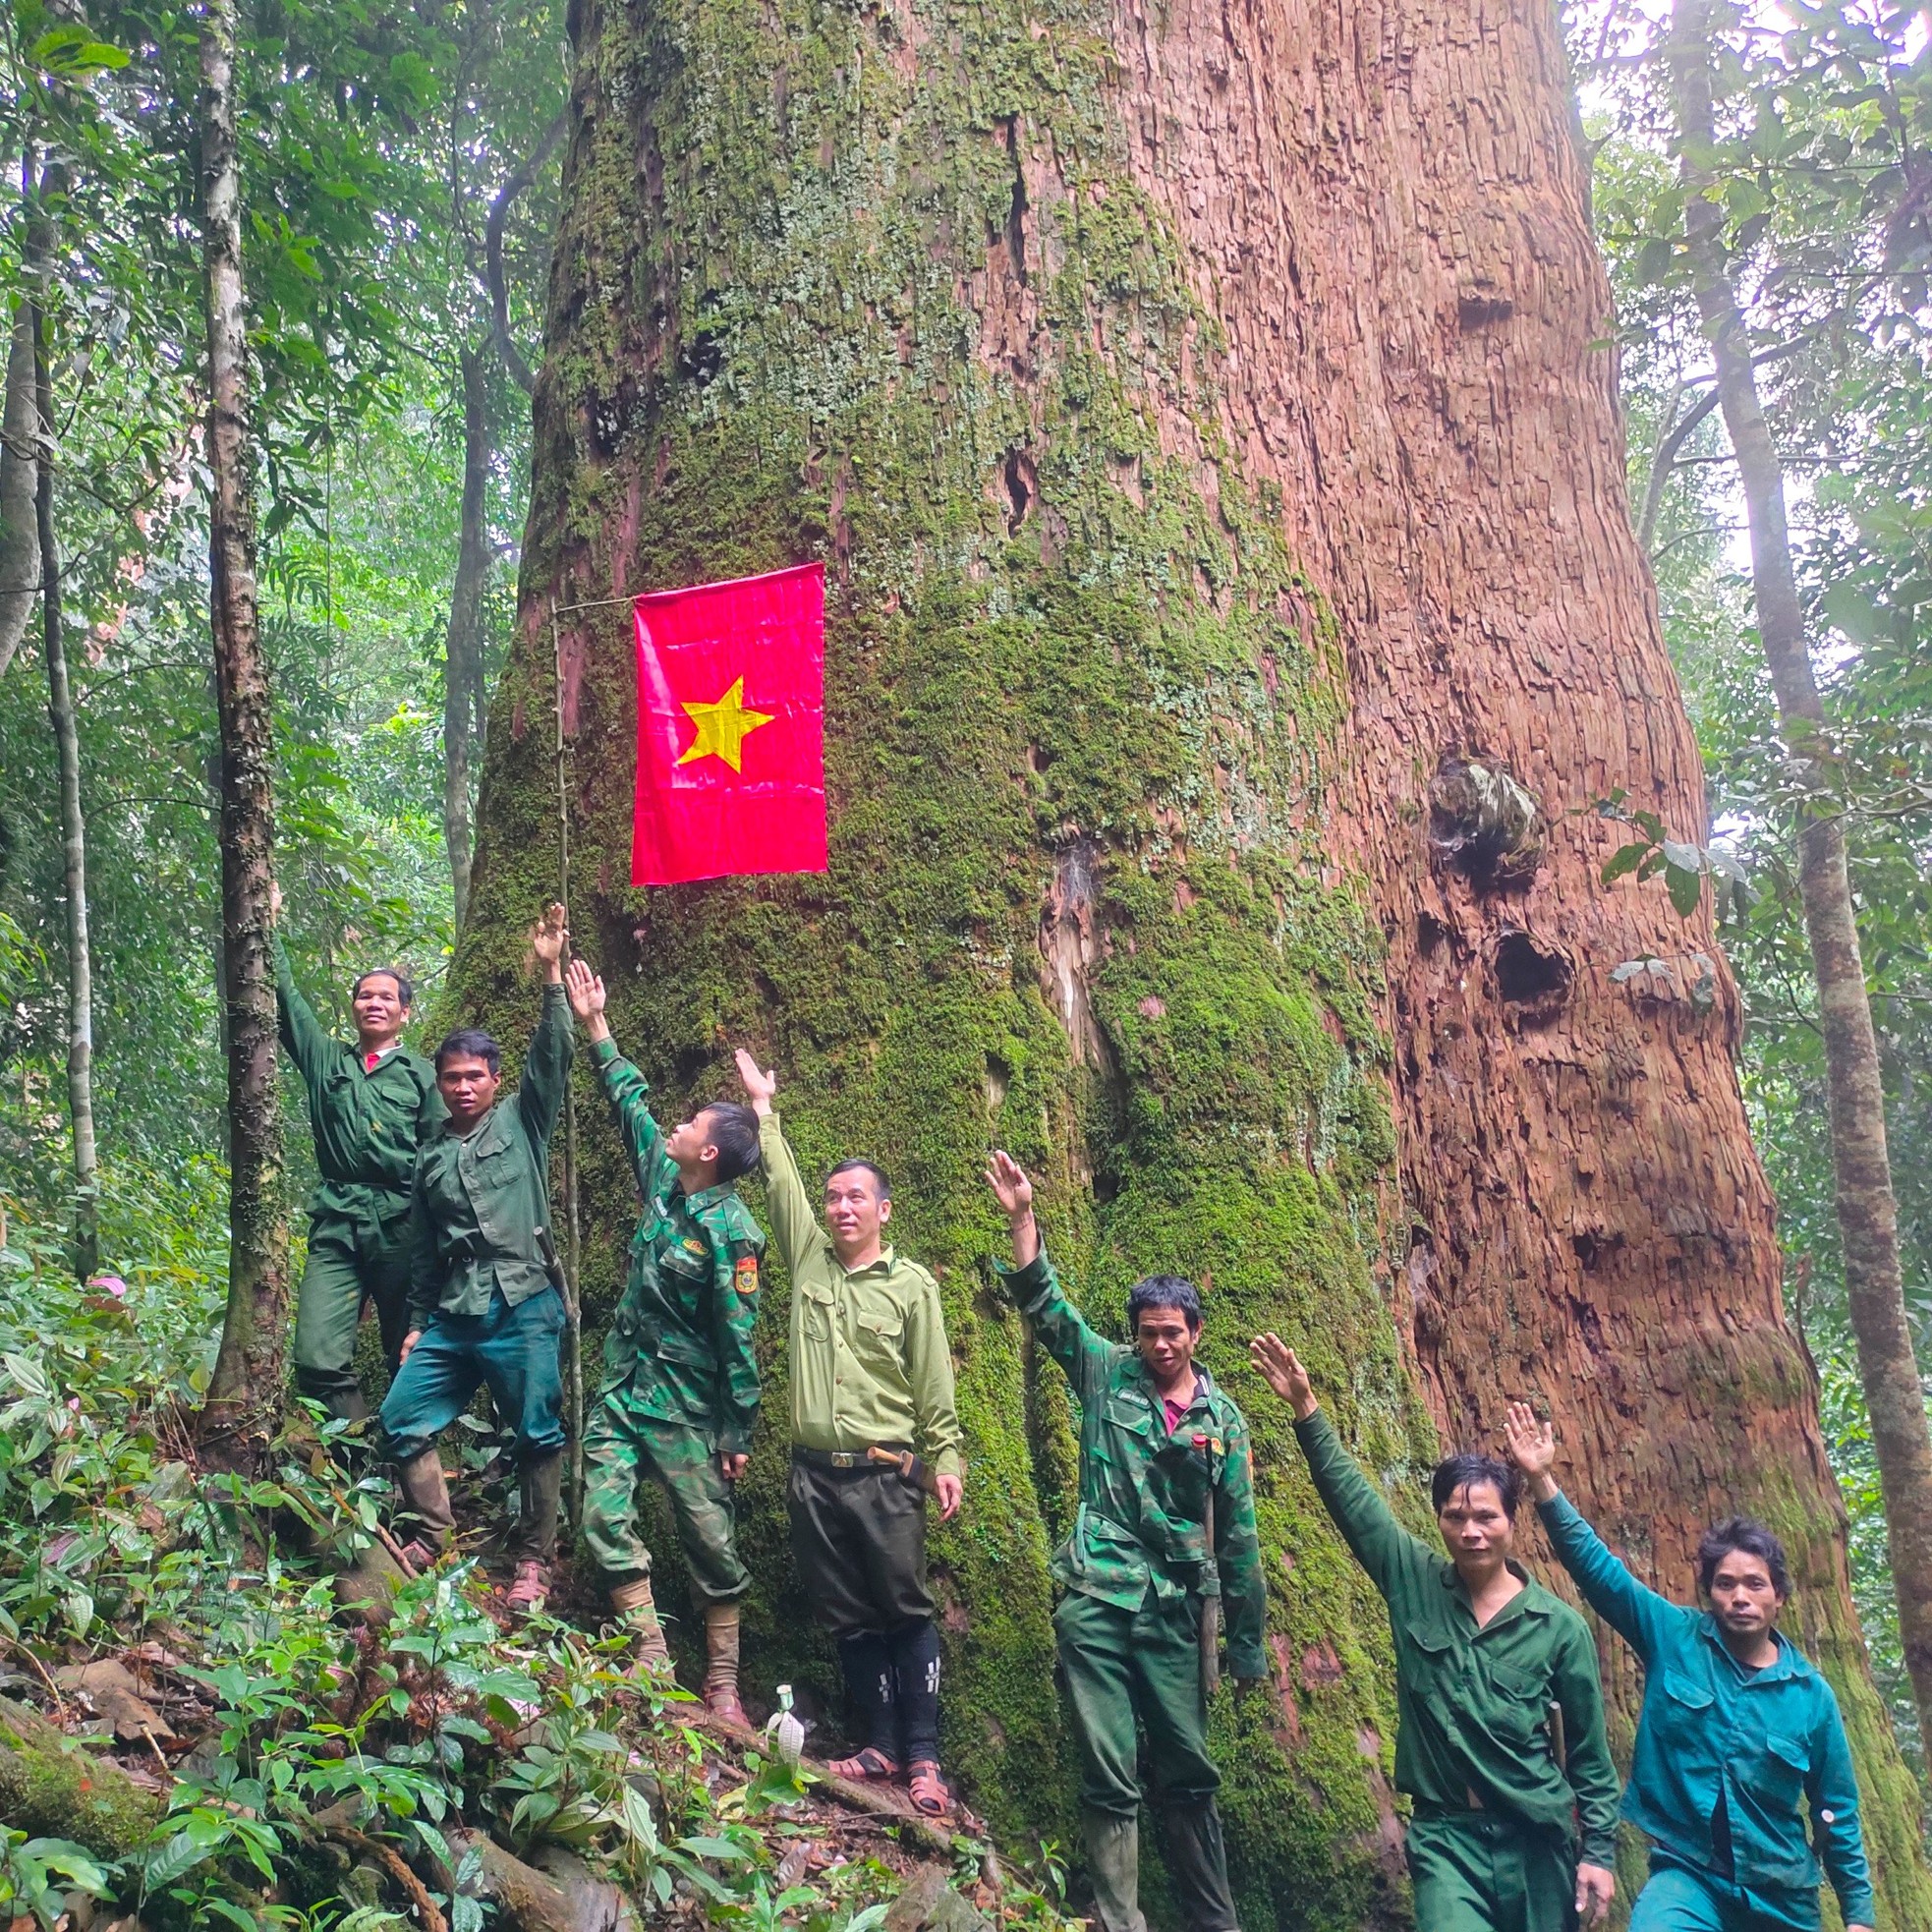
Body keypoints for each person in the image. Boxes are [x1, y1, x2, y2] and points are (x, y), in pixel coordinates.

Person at [1251, 1336, 1619, 1932]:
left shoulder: (1559, 1628)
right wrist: (1306, 1408)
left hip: (1536, 1841)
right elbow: (1356, 1504)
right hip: (1447, 1840)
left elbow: (1589, 1755)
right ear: (1440, 1520)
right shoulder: (1413, 1581)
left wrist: (1598, 1853)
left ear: (1511, 1523)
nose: (1471, 1531)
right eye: (1456, 1517)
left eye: (1486, 1518)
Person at [987, 1152, 1266, 1932]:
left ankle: (1214, 1922)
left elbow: (1240, 1541)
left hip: (1177, 1614)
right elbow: (1046, 1308)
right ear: (1134, 1334)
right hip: (1099, 1599)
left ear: (1196, 1332)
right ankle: (1120, 1918)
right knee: (1109, 1771)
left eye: (1173, 1334)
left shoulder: (1224, 1421)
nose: (1161, 1347)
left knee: (1189, 1772)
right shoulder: (1107, 1373)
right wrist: (1021, 1220)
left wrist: (1245, 1650)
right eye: (1149, 1334)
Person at [1504, 1404, 1875, 1932]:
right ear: (1709, 1593)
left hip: (1781, 1894)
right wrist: (1540, 1480)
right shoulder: (1674, 1636)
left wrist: (1858, 1917)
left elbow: (1835, 1810)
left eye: (1755, 1585)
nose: (1740, 1597)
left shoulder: (1811, 1696)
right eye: (1726, 1584)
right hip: (1689, 1877)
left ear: (1779, 1599)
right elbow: (1599, 1571)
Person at [732, 1048, 963, 1817]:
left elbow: (934, 1382)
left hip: (885, 1474)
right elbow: (780, 1184)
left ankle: (924, 1756)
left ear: (883, 1209)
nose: (840, 1209)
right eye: (833, 1198)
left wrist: (948, 1455)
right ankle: (878, 1743)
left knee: (903, 1608)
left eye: (856, 1198)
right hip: (813, 1474)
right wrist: (764, 1112)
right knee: (848, 1615)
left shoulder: (911, 1286)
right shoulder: (807, 1261)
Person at [565, 958, 767, 1721]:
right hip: (623, 1392)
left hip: (686, 1409)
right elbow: (631, 1104)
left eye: (693, 1126)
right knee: (601, 1515)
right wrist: (597, 1025)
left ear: (710, 1153)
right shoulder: (662, 1175)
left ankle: (722, 1683)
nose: (677, 1127)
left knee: (712, 1542)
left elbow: (739, 1340)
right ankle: (650, 1654)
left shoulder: (732, 1232)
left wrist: (735, 1426)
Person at [378, 905, 574, 1618]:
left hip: (524, 1301)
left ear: (493, 1079)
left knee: (538, 1432)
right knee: (401, 1417)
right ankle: (436, 1533)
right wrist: (415, 1323)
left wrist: (551, 975)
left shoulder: (523, 1121)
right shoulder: (430, 1157)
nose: (462, 1086)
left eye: (474, 1076)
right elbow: (425, 1255)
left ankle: (533, 1560)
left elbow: (552, 1056)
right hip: (456, 1314)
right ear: (440, 1083)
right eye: (451, 1077)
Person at [271, 893, 442, 1424]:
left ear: (404, 1012)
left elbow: (442, 1154)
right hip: (337, 1220)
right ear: (354, 1007)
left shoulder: (422, 1074)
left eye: (386, 997)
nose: (374, 1003)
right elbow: (285, 999)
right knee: (316, 1358)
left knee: (408, 1354)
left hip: (402, 1225)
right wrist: (269, 923)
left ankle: (406, 1467)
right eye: (365, 995)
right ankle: (357, 1455)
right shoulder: (327, 1060)